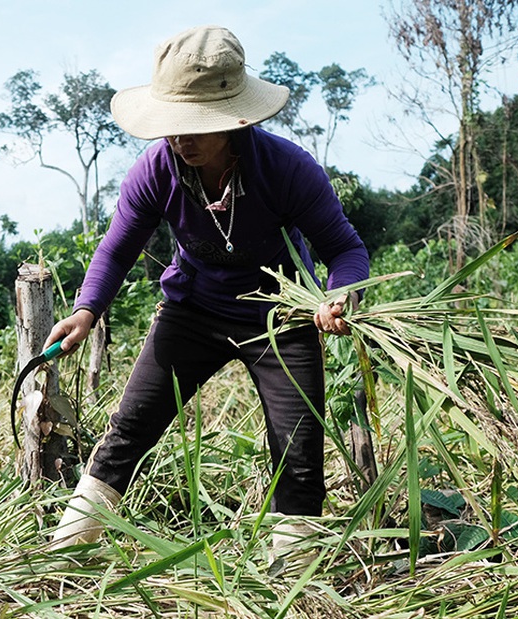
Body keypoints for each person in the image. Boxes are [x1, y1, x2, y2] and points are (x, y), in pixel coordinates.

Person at [47, 26, 370, 555]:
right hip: (192, 311)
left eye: (195, 126)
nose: (181, 139)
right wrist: (87, 310)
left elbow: (347, 250)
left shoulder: (287, 170)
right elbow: (117, 248)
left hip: (279, 319)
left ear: (233, 118)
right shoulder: (157, 170)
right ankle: (67, 553)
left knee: (299, 451)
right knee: (128, 430)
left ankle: (296, 577)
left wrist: (340, 296)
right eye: (172, 126)